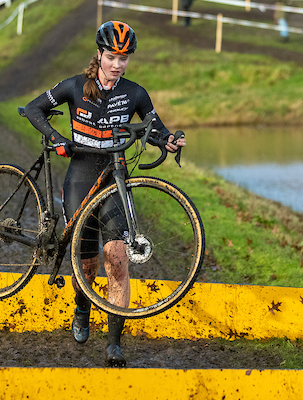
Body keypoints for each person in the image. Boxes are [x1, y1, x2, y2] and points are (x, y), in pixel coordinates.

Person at [24, 21, 186, 367]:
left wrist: (170, 140)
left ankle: (114, 344)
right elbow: (34, 109)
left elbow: (155, 127)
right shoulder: (74, 86)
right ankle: (82, 307)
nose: (117, 64)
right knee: (87, 263)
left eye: (124, 58)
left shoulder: (135, 93)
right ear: (99, 54)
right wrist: (55, 138)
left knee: (117, 260)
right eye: (112, 56)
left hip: (115, 179)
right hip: (80, 177)